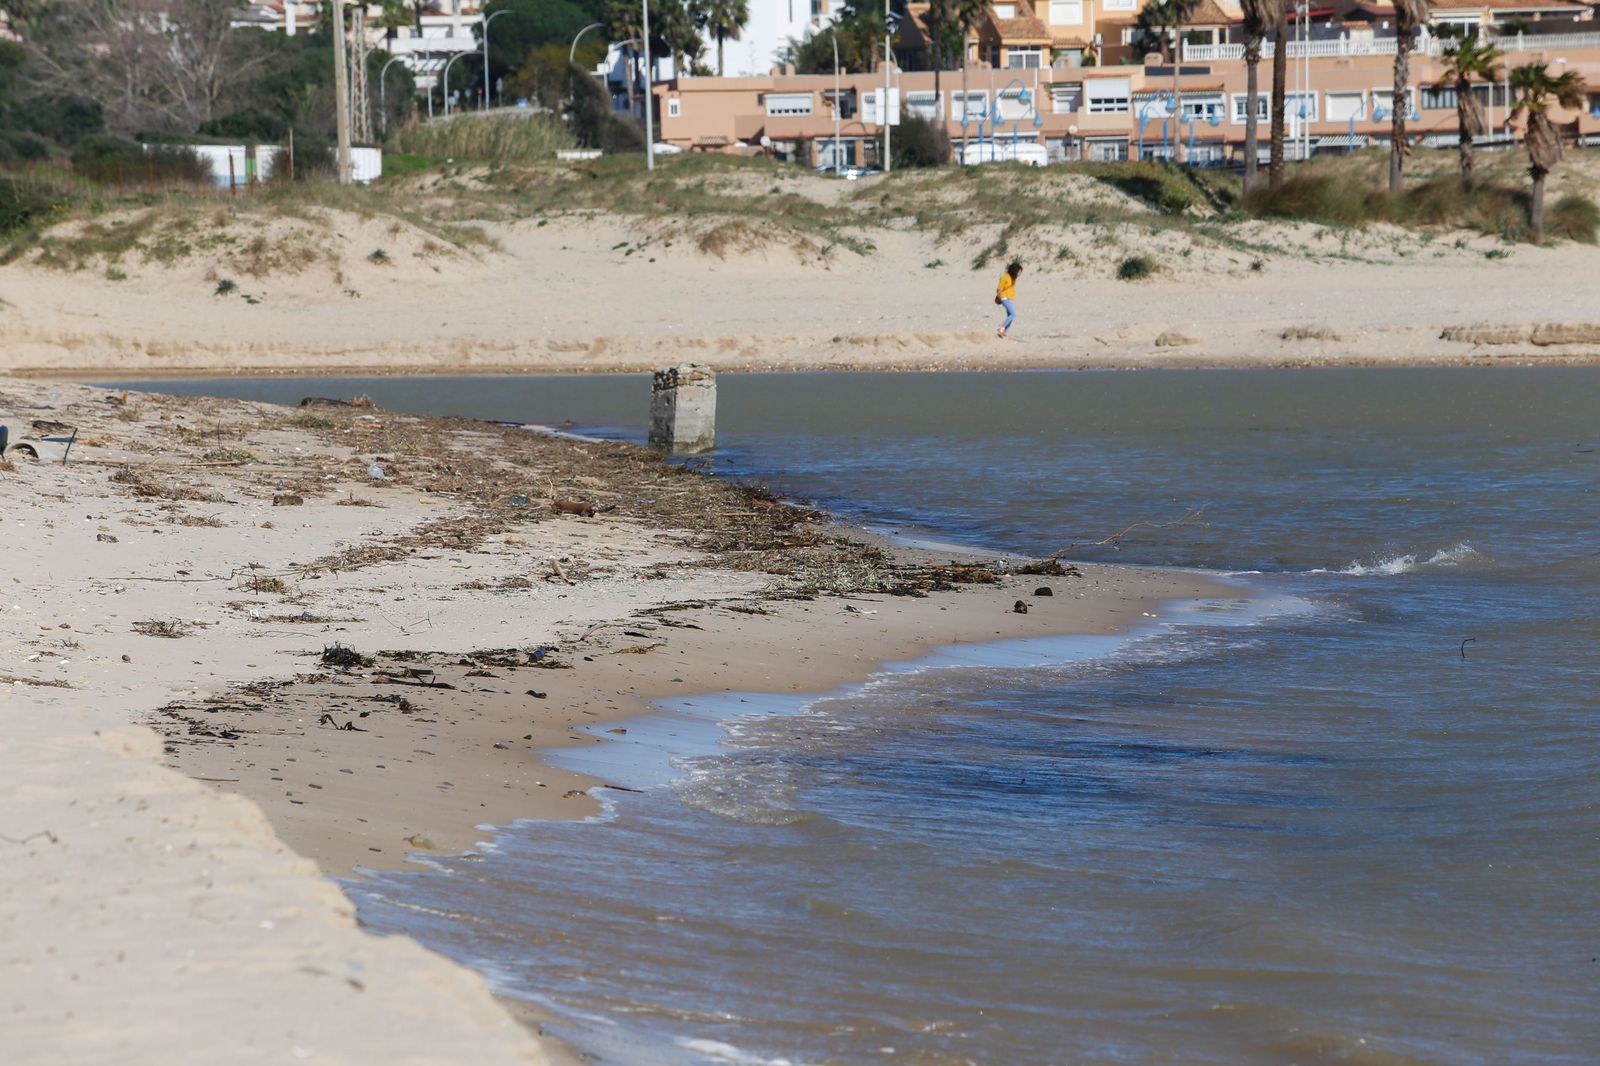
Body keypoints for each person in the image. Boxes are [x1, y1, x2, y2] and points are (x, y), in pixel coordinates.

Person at [995, 261, 1021, 339]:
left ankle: (1005, 331)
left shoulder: (1013, 278)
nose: (1019, 274)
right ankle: (1002, 328)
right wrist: (999, 298)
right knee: (1014, 313)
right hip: (1004, 298)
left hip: (1010, 298)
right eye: (1018, 272)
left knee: (1010, 315)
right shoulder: (1005, 277)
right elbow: (999, 288)